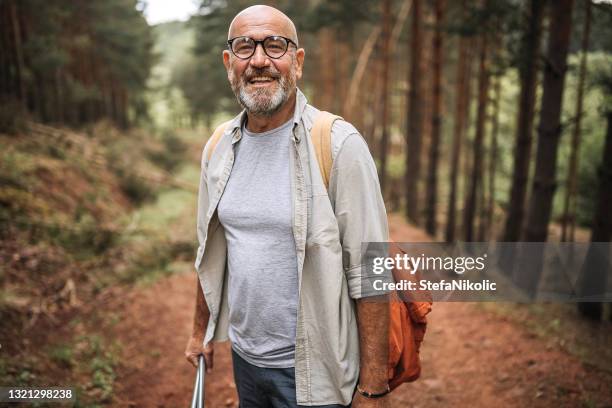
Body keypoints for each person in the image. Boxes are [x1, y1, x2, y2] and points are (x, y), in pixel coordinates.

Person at [184, 5, 391, 407]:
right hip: (245, 362)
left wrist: (374, 388)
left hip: (319, 372)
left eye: (274, 46)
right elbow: (208, 252)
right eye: (245, 47)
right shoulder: (219, 147)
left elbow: (372, 271)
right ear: (229, 62)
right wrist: (200, 332)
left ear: (297, 61)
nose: (259, 60)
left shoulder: (337, 144)